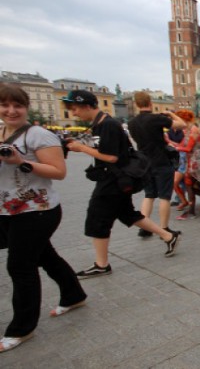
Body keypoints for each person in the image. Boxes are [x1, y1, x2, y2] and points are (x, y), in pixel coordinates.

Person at [0, 84, 86, 353]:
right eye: (5, 105)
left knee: (20, 266)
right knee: (44, 255)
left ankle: (22, 328)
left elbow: (58, 172)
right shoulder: (2, 131)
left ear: (26, 108)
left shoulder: (39, 135)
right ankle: (73, 294)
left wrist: (20, 162)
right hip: (9, 209)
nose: (11, 110)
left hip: (38, 210)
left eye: (17, 105)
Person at [63, 90, 180, 279]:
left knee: (97, 218)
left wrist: (82, 148)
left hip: (113, 179)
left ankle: (102, 264)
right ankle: (168, 236)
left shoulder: (108, 125)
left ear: (86, 106)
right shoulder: (101, 124)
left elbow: (112, 157)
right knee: (127, 213)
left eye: (75, 108)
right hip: (116, 178)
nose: (74, 113)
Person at [127, 92, 186, 238]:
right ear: (150, 103)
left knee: (149, 195)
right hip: (160, 161)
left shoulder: (132, 123)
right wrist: (171, 114)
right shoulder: (155, 119)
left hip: (144, 163)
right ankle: (164, 228)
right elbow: (182, 125)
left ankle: (145, 227)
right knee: (164, 196)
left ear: (136, 104)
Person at [173, 110, 200, 220]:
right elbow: (181, 145)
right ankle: (189, 206)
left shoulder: (193, 130)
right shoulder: (187, 130)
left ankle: (191, 212)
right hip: (186, 161)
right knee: (190, 186)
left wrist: (176, 148)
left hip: (192, 162)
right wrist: (169, 141)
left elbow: (188, 148)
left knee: (191, 187)